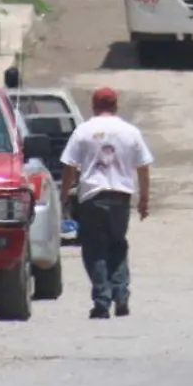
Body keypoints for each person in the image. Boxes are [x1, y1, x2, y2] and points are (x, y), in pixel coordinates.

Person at [59, 86, 153, 320]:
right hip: (120, 196)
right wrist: (144, 199)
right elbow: (143, 167)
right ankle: (120, 295)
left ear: (94, 106)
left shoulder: (83, 131)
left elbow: (69, 166)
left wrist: (63, 198)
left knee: (94, 248)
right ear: (115, 106)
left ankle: (102, 300)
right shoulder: (130, 132)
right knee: (118, 245)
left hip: (92, 198)